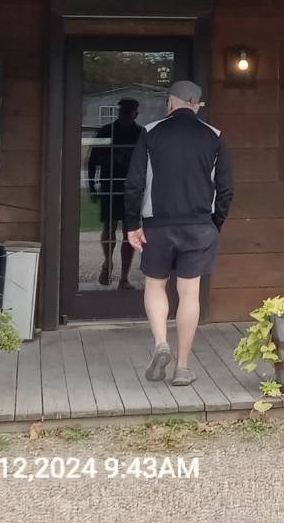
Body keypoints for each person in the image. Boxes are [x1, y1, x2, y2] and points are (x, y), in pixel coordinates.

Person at [124, 80, 233, 386]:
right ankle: (183, 367)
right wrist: (215, 224)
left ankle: (161, 343)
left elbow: (134, 183)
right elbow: (225, 189)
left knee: (155, 284)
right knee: (189, 293)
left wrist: (132, 224)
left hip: (158, 224)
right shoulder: (215, 136)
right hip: (199, 225)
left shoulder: (150, 132)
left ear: (170, 103)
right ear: (196, 105)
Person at [86, 97, 142, 289]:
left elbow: (147, 162)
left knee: (129, 233)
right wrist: (92, 185)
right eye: (122, 111)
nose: (125, 114)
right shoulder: (106, 131)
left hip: (132, 189)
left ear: (135, 113)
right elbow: (92, 160)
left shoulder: (140, 134)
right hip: (110, 186)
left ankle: (124, 278)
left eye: (128, 111)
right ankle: (107, 262)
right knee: (109, 227)